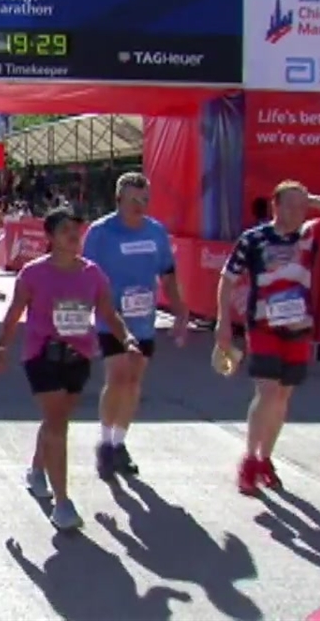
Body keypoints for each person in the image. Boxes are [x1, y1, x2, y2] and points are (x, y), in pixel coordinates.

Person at [0, 207, 141, 531]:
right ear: (50, 237)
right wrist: (2, 346)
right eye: (65, 232)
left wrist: (126, 338)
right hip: (42, 355)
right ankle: (62, 503)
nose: (74, 237)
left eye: (77, 231)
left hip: (79, 356)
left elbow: (108, 313)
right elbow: (15, 311)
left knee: (56, 419)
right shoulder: (32, 273)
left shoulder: (92, 273)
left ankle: (35, 470)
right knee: (58, 425)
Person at [216, 181, 320, 495]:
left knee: (283, 397)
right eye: (289, 205)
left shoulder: (310, 233)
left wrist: (312, 198)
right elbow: (227, 278)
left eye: (300, 207)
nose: (295, 212)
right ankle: (249, 461)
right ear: (274, 206)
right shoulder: (253, 239)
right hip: (263, 326)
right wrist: (223, 322)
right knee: (267, 391)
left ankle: (266, 458)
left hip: (299, 328)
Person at [82, 173, 189, 481]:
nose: (140, 205)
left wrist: (180, 309)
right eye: (133, 200)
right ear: (119, 200)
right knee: (117, 377)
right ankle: (104, 442)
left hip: (143, 320)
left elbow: (167, 273)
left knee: (133, 382)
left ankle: (119, 443)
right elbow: (85, 275)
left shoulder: (156, 232)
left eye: (144, 200)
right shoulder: (101, 232)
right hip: (110, 318)